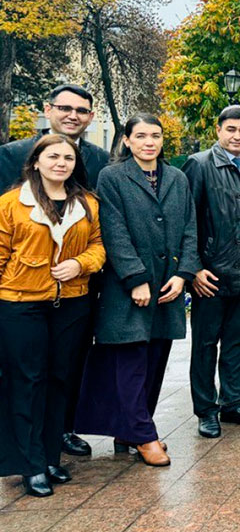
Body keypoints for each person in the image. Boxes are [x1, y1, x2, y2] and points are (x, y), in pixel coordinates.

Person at [73, 115, 198, 467]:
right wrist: (134, 278)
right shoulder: (112, 177)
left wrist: (184, 274)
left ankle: (129, 429)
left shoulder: (177, 177)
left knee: (156, 362)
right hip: (128, 289)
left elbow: (190, 227)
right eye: (141, 136)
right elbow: (112, 230)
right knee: (129, 363)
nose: (149, 142)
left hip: (168, 285)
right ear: (127, 140)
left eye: (155, 136)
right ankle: (145, 435)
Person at [0, 85, 110, 459]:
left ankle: (56, 440)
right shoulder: (11, 161)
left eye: (81, 110)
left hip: (75, 295)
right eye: (65, 108)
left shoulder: (98, 163)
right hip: (21, 297)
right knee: (26, 377)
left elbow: (99, 238)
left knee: (64, 372)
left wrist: (82, 264)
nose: (72, 115)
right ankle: (26, 455)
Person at [182, 105, 240, 438]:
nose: (238, 136)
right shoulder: (199, 164)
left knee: (239, 341)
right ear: (218, 130)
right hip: (212, 270)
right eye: (231, 129)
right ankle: (206, 410)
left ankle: (233, 403)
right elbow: (188, 220)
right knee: (206, 343)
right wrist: (193, 269)